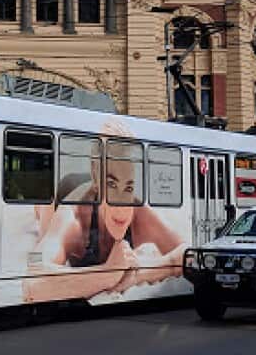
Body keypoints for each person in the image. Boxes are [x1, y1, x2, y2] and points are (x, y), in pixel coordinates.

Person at [23, 120, 187, 303]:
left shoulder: (140, 213)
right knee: (43, 224)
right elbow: (32, 283)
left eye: (129, 187)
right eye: (112, 185)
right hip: (65, 190)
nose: (121, 205)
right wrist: (109, 273)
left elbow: (189, 254)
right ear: (95, 177)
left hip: (93, 183)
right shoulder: (72, 216)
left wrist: (139, 273)